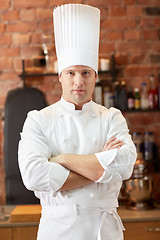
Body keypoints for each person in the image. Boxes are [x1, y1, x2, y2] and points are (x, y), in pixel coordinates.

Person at [18, 4, 137, 240]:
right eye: (71, 73)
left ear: (96, 77)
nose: (78, 82)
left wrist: (62, 160)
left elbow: (124, 166)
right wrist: (100, 167)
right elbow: (33, 175)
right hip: (58, 232)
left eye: (86, 73)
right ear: (60, 76)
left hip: (104, 232)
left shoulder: (111, 117)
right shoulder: (39, 120)